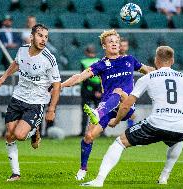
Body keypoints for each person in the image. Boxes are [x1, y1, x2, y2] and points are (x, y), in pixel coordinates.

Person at [80, 46, 183, 187]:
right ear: (172, 60)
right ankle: (164, 177)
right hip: (180, 127)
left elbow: (126, 105)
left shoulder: (149, 77)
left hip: (155, 125)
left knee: (119, 142)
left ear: (156, 61)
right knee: (177, 140)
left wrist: (116, 120)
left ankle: (99, 180)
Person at [61, 29, 155, 181]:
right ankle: (83, 169)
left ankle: (98, 113)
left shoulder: (129, 60)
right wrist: (60, 85)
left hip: (126, 104)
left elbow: (149, 71)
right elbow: (79, 77)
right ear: (104, 46)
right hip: (108, 107)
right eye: (110, 41)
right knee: (89, 136)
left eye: (116, 42)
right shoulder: (101, 64)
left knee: (118, 92)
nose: (114, 44)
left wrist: (164, 71)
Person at [0, 24, 61, 181]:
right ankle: (15, 173)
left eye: (46, 37)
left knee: (19, 135)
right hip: (18, 97)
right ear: (32, 37)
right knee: (9, 134)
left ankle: (34, 131)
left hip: (36, 102)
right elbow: (16, 64)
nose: (43, 39)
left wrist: (51, 109)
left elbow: (57, 86)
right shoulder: (23, 49)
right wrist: (3, 78)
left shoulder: (49, 58)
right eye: (40, 35)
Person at [80, 44, 101, 136]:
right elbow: (83, 78)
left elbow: (102, 77)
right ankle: (83, 131)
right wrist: (97, 89)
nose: (92, 54)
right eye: (90, 52)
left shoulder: (99, 61)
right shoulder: (83, 62)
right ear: (86, 53)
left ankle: (100, 131)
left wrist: (99, 90)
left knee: (99, 112)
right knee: (85, 112)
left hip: (95, 90)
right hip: (87, 90)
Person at [119, 37, 136, 128]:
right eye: (121, 46)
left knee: (131, 112)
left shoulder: (130, 59)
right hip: (115, 89)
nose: (123, 48)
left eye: (125, 46)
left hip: (128, 89)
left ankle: (130, 129)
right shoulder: (112, 59)